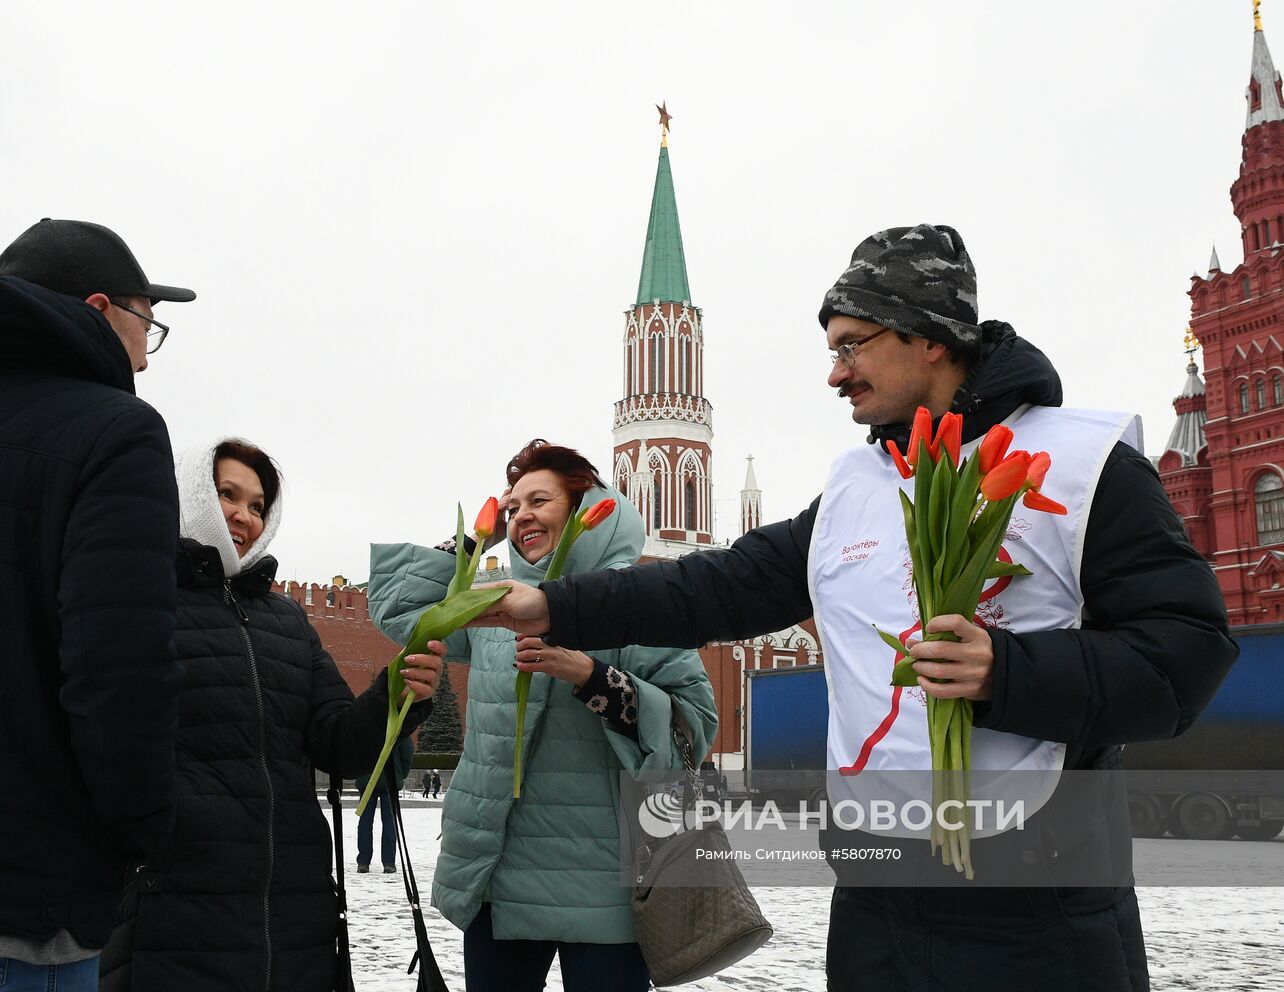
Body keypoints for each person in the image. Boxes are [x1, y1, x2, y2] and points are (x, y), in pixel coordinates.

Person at [472, 226, 1239, 992]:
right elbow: (716, 587)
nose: (836, 375)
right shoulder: (856, 487)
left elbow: (1186, 656)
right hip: (877, 910)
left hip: (1040, 913)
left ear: (929, 338)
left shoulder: (1084, 464)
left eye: (852, 346)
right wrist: (552, 604)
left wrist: (1004, 671)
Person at [0, 220, 195, 991]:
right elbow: (120, 671)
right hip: (12, 914)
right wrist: (139, 831)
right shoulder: (115, 431)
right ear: (101, 307)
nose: (147, 349)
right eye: (149, 321)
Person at [368, 441, 718, 992]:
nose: (521, 515)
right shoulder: (501, 602)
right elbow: (402, 613)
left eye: (540, 501)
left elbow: (690, 731)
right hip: (499, 878)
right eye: (513, 508)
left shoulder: (632, 601)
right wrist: (472, 536)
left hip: (608, 888)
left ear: (584, 511)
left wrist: (589, 677)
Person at [97, 438, 444, 992]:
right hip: (175, 913)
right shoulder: (140, 602)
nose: (245, 516)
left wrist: (395, 692)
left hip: (291, 914)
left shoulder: (286, 621)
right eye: (227, 495)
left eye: (258, 505)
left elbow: (337, 743)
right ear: (188, 495)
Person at [356, 736, 414, 874]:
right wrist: (400, 774)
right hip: (390, 779)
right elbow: (407, 752)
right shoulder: (396, 721)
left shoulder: (364, 722)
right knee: (389, 822)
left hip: (367, 779)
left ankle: (363, 862)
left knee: (365, 821)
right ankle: (389, 863)